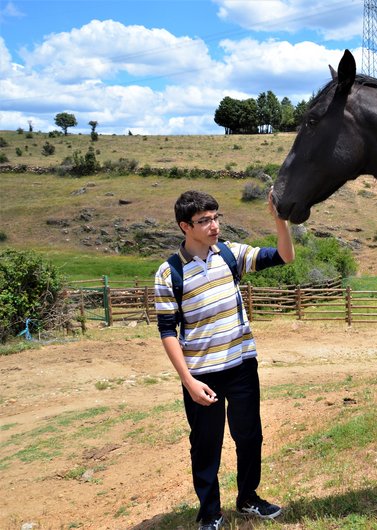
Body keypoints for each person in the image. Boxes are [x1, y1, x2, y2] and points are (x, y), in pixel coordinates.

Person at [154, 189, 294, 530]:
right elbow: (167, 331)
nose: (214, 225)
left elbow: (285, 257)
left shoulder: (231, 254)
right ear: (184, 226)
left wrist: (280, 219)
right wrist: (188, 381)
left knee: (249, 437)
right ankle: (210, 514)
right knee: (205, 447)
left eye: (216, 218)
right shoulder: (169, 273)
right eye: (204, 221)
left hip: (242, 366)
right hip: (202, 375)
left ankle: (248, 499)